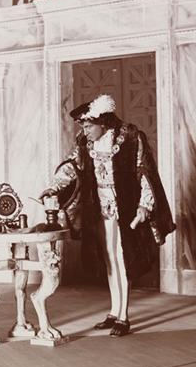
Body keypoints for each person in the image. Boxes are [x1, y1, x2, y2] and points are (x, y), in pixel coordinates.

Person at [39, 95, 175, 337]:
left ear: (103, 122)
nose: (85, 131)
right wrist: (54, 188)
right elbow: (72, 166)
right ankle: (114, 311)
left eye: (88, 126)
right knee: (109, 259)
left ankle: (124, 316)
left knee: (122, 259)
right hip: (99, 209)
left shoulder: (131, 138)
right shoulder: (85, 142)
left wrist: (144, 205)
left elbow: (145, 172)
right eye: (83, 127)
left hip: (125, 209)